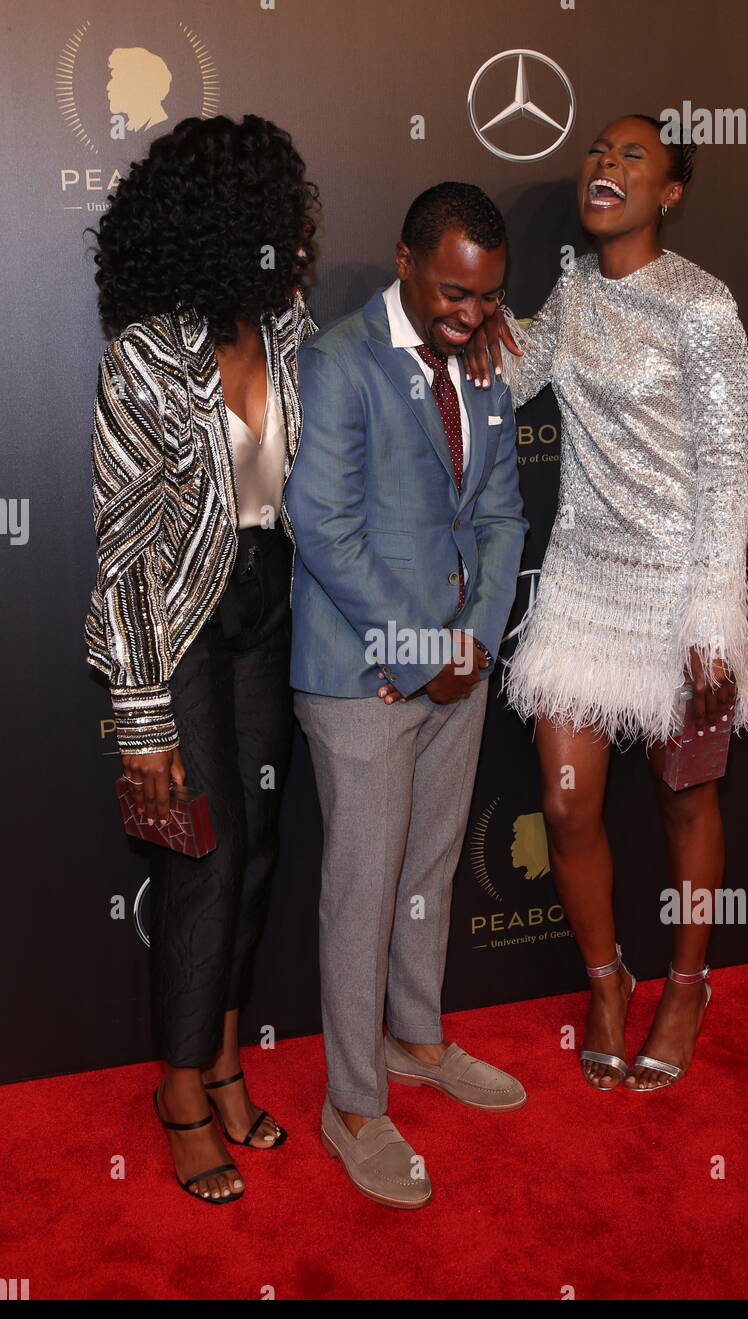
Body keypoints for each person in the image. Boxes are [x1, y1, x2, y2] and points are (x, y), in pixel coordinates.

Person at [466, 115, 748, 1092]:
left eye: (632, 156)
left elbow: (726, 470)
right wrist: (470, 308)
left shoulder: (702, 307)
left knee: (685, 799)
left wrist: (711, 621)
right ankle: (606, 980)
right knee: (565, 804)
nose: (605, 164)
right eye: (597, 151)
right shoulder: (576, 291)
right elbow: (510, 374)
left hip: (679, 595)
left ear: (668, 193)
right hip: (582, 589)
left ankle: (684, 985)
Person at [84, 114, 318, 1201]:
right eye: (282, 211)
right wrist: (143, 722)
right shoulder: (144, 357)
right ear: (234, 224)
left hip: (272, 604)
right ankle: (177, 1090)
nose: (301, 229)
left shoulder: (287, 330)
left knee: (260, 845)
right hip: (181, 622)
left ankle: (223, 1057)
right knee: (205, 859)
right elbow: (125, 548)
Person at [285, 183, 528, 1208]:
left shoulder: (482, 362)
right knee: (363, 887)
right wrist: (423, 647)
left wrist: (470, 643)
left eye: (487, 296)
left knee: (429, 865)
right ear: (403, 260)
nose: (471, 315)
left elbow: (505, 513)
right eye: (453, 292)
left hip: (455, 669)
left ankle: (417, 1037)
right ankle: (350, 1101)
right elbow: (321, 526)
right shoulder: (342, 360)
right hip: (361, 675)